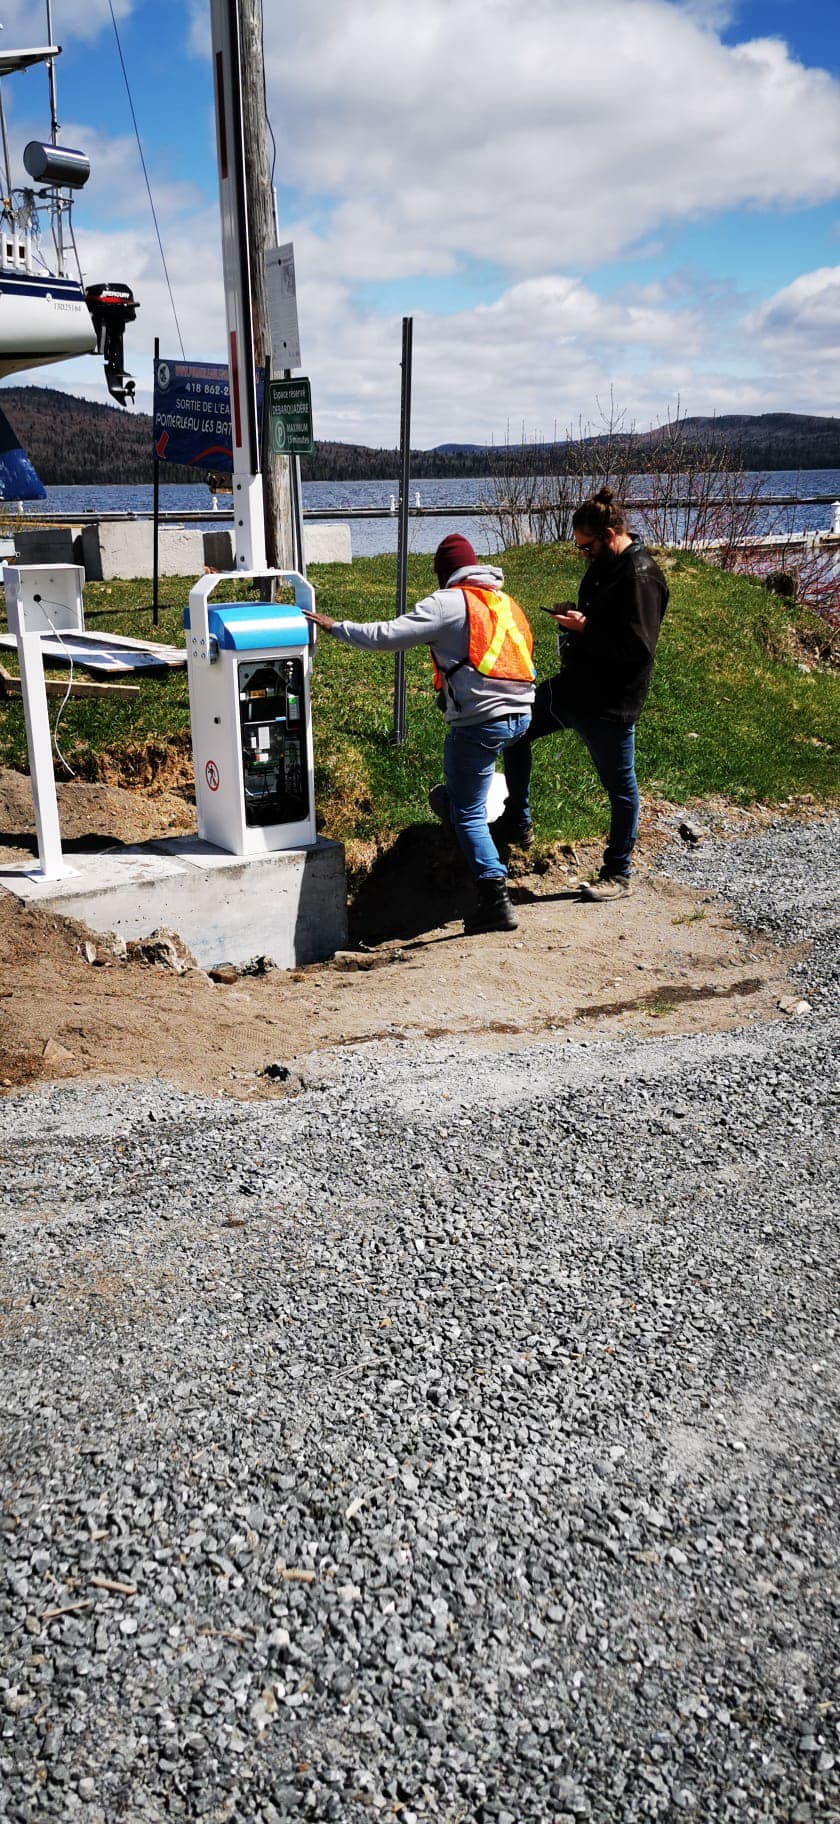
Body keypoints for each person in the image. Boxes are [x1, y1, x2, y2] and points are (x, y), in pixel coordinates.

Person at [301, 534, 535, 933]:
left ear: (444, 571)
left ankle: (494, 897)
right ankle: (515, 820)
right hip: (522, 714)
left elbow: (388, 636)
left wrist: (336, 626)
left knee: (466, 811)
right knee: (461, 795)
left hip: (480, 722)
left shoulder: (447, 602)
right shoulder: (503, 601)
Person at [499, 487, 668, 900]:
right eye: (580, 549)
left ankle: (618, 873)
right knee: (514, 729)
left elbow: (638, 647)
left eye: (587, 547)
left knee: (621, 788)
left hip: (610, 701)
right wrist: (574, 617)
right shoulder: (604, 566)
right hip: (574, 687)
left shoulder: (641, 576)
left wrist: (586, 628)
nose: (584, 555)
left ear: (611, 535)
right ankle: (517, 822)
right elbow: (602, 620)